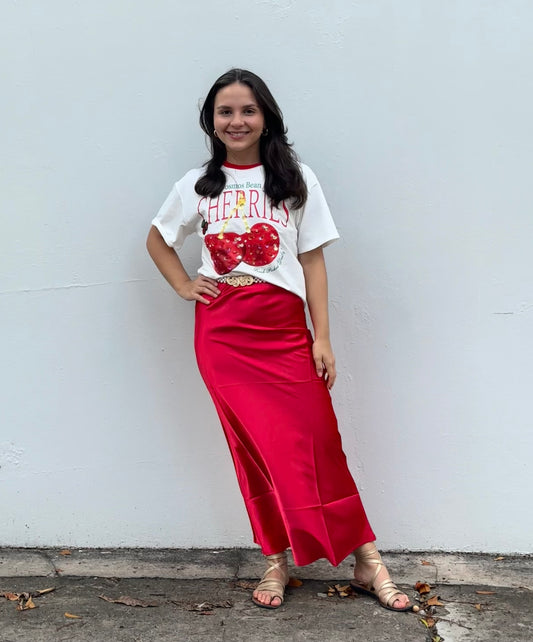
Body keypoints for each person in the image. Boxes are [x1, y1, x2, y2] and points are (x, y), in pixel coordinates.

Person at [146, 68, 412, 612]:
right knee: (255, 451)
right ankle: (275, 560)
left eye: (247, 110)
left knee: (316, 442)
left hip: (283, 329)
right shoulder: (198, 184)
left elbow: (313, 262)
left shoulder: (294, 179)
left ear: (265, 117)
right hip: (223, 334)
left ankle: (366, 559)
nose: (237, 121)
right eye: (225, 112)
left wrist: (323, 338)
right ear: (212, 122)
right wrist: (181, 284)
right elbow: (157, 238)